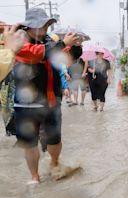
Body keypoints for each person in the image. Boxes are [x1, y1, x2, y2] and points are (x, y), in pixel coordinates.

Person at [12, 8, 79, 184]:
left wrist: (76, 47)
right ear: (30, 27)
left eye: (48, 25)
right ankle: (35, 177)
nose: (46, 29)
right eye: (43, 25)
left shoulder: (51, 41)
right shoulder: (19, 40)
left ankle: (55, 164)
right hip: (27, 103)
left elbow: (65, 59)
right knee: (29, 142)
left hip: (51, 99)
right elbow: (35, 53)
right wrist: (63, 43)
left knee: (54, 137)